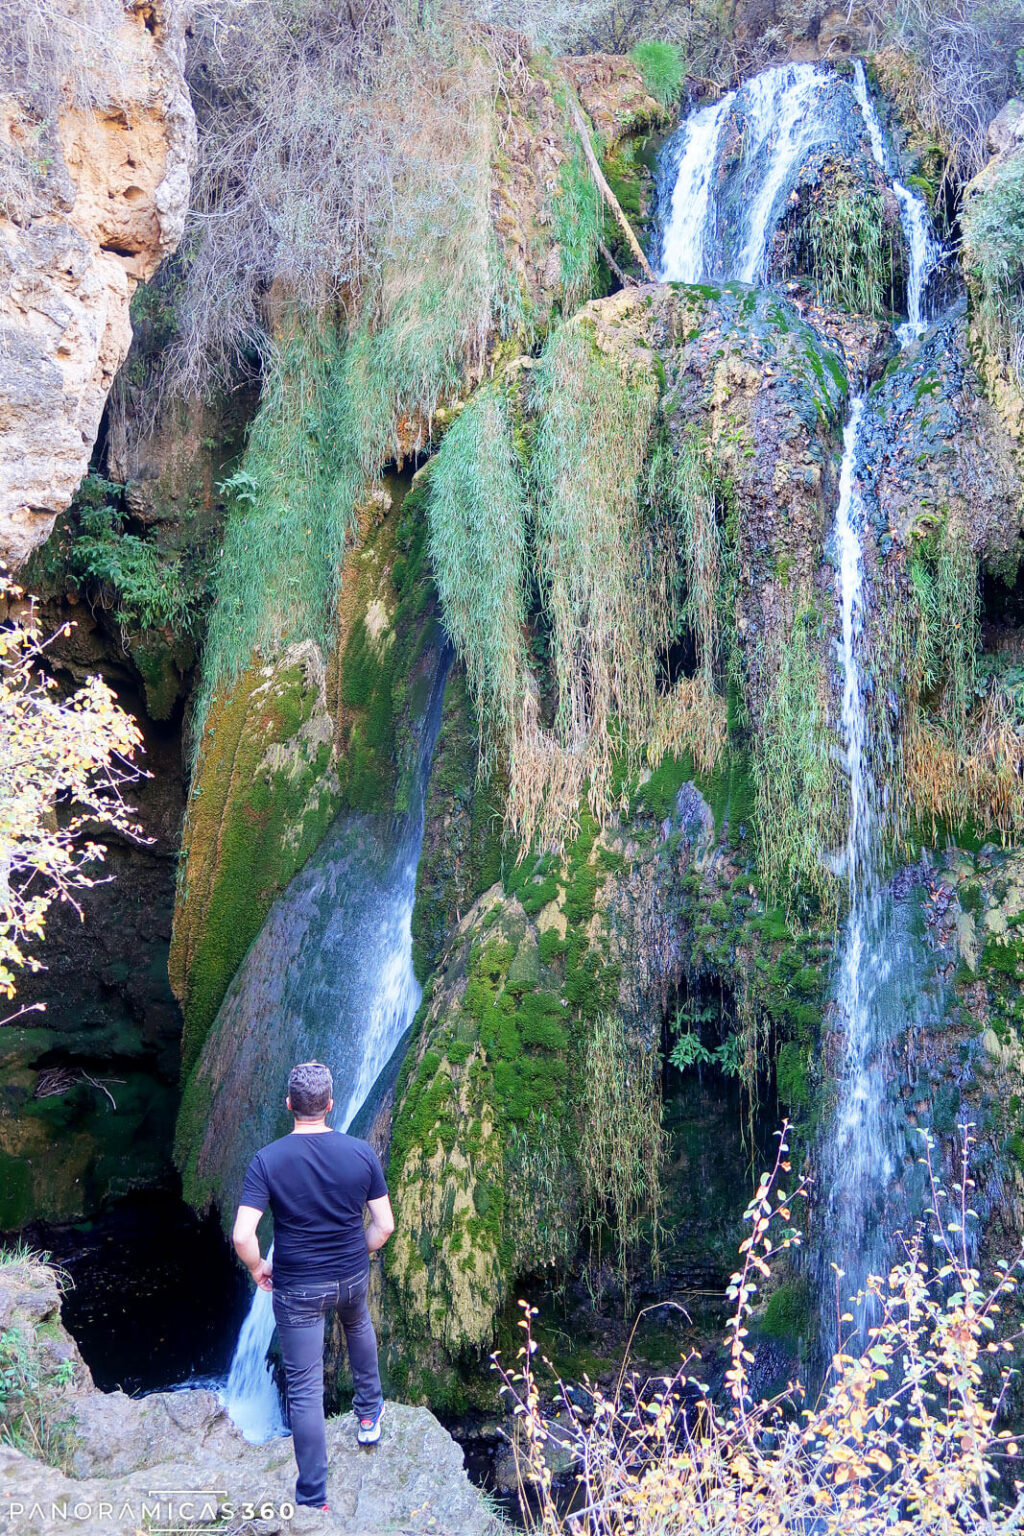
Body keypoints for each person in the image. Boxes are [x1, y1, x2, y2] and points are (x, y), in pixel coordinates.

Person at [232, 1060, 396, 1512]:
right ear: (330, 1105)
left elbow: (243, 1236)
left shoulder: (268, 1160)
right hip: (349, 1276)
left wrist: (256, 1268)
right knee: (358, 1325)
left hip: (298, 1285)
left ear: (289, 1106)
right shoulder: (361, 1152)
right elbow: (384, 1226)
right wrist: (357, 1252)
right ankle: (369, 1415)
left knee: (304, 1389)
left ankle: (313, 1500)